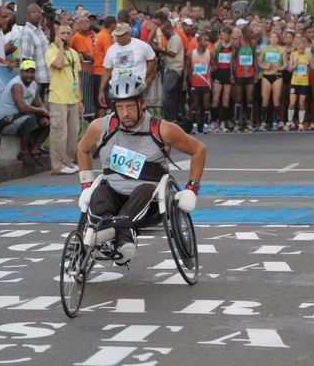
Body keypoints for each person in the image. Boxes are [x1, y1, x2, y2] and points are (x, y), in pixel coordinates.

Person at [76, 73, 207, 264]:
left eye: (130, 106)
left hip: (149, 200)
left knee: (143, 190)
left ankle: (123, 235)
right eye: (120, 107)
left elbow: (199, 150)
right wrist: (86, 186)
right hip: (114, 194)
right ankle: (106, 236)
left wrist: (191, 190)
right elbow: (82, 150)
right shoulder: (100, 127)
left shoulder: (162, 130)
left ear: (143, 103)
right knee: (99, 193)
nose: (125, 113)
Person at [0, 60, 50, 167]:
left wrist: (44, 115)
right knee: (29, 118)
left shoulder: (33, 84)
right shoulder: (16, 85)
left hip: (19, 118)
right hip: (3, 122)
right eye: (26, 72)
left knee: (48, 121)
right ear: (21, 72)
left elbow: (38, 103)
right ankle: (23, 153)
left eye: (32, 72)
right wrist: (41, 111)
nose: (29, 75)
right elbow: (23, 108)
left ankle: (34, 150)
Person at [46, 25, 83, 175]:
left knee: (73, 132)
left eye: (68, 33)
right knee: (59, 133)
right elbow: (59, 64)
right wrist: (60, 45)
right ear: (57, 35)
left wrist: (80, 100)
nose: (66, 35)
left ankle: (69, 161)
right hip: (58, 98)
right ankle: (58, 166)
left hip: (72, 98)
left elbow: (77, 78)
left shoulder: (74, 53)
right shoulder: (51, 51)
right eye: (62, 33)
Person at [98, 23, 157, 107]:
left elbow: (153, 60)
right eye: (117, 35)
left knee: (137, 113)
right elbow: (107, 70)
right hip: (117, 89)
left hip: (136, 88)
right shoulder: (111, 49)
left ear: (129, 33)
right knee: (119, 114)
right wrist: (101, 90)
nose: (119, 38)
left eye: (121, 35)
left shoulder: (142, 45)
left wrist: (147, 78)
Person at [155, 20, 184, 122]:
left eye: (164, 31)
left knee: (166, 95)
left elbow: (173, 53)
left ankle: (170, 118)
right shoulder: (172, 38)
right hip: (170, 68)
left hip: (174, 69)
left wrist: (160, 49)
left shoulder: (175, 38)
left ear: (168, 29)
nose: (163, 33)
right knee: (170, 95)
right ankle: (172, 118)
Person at [184, 33, 213, 133]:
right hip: (195, 83)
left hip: (206, 83)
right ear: (199, 42)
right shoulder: (192, 53)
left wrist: (210, 71)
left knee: (206, 104)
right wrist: (185, 80)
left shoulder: (210, 53)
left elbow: (214, 66)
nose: (207, 42)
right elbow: (187, 68)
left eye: (208, 40)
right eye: (205, 40)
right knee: (195, 104)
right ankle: (194, 126)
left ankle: (205, 125)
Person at [20, 4, 50, 98]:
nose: (37, 14)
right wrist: (32, 80)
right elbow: (26, 59)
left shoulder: (40, 31)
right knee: (34, 108)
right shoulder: (27, 32)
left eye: (38, 12)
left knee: (41, 109)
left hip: (45, 77)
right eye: (33, 12)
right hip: (36, 79)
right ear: (27, 15)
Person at [258, 31, 286, 131]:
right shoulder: (265, 49)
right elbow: (259, 63)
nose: (273, 39)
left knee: (276, 100)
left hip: (277, 76)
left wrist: (280, 68)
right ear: (269, 38)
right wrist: (265, 66)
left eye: (275, 37)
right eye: (272, 37)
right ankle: (264, 122)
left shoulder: (282, 49)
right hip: (266, 75)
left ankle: (275, 122)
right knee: (265, 100)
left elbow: (285, 64)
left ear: (278, 39)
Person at [93, 16, 116, 118]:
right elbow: (110, 54)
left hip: (97, 70)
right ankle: (102, 127)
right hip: (103, 72)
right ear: (113, 24)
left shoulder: (99, 34)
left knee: (101, 102)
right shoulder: (106, 37)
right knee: (103, 102)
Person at [287, 39, 310, 131]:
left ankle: (301, 123)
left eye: (303, 49)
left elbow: (309, 69)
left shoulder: (308, 55)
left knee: (301, 103)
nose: (301, 50)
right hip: (294, 81)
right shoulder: (293, 54)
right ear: (297, 48)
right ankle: (290, 122)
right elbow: (290, 69)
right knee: (292, 103)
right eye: (300, 48)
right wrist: (295, 65)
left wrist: (306, 71)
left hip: (304, 82)